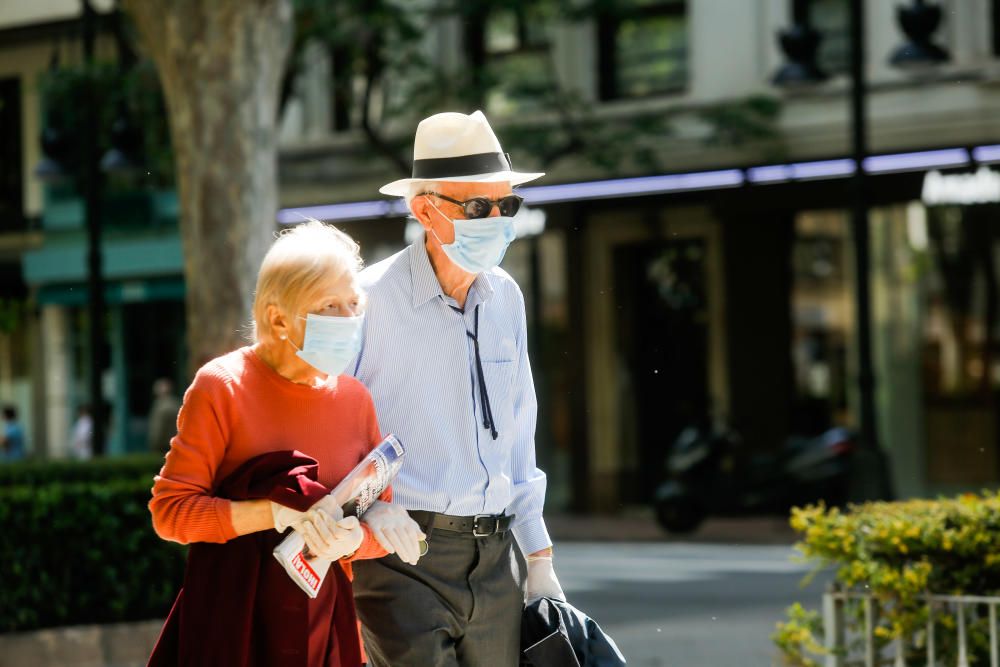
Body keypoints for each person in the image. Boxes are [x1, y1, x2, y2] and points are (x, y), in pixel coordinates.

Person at [147, 220, 425, 666]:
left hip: (326, 634)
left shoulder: (355, 399)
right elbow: (171, 513)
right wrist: (274, 514)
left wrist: (359, 537)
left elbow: (369, 519)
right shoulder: (221, 387)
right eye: (329, 305)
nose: (348, 319)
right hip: (236, 630)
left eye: (354, 304)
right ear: (277, 318)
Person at [351, 110, 566, 666]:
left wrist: (538, 557)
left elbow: (521, 428)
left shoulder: (506, 297)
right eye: (477, 207)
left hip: (496, 558)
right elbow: (331, 431)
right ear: (424, 209)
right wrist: (363, 513)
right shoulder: (366, 301)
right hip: (401, 557)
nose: (496, 220)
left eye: (506, 206)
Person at [147, 378, 181, 455]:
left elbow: (158, 429)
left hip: (162, 447)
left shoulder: (160, 406)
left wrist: (154, 444)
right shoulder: (177, 404)